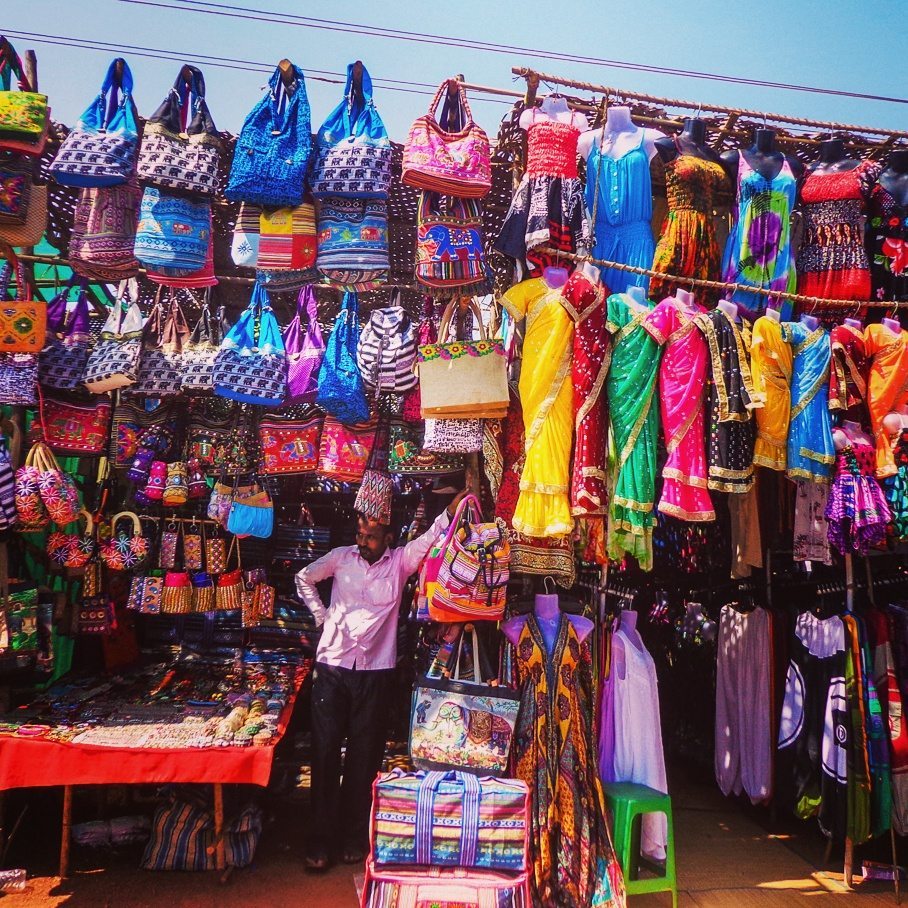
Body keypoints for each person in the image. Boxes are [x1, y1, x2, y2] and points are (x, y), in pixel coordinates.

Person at [295, 490, 468, 870]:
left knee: (364, 755)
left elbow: (427, 543)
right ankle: (320, 841)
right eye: (360, 535)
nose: (363, 542)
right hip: (332, 668)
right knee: (324, 753)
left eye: (370, 536)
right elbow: (303, 578)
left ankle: (355, 836)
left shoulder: (400, 563)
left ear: (388, 537)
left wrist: (448, 512)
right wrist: (322, 618)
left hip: (375, 672)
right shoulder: (341, 558)